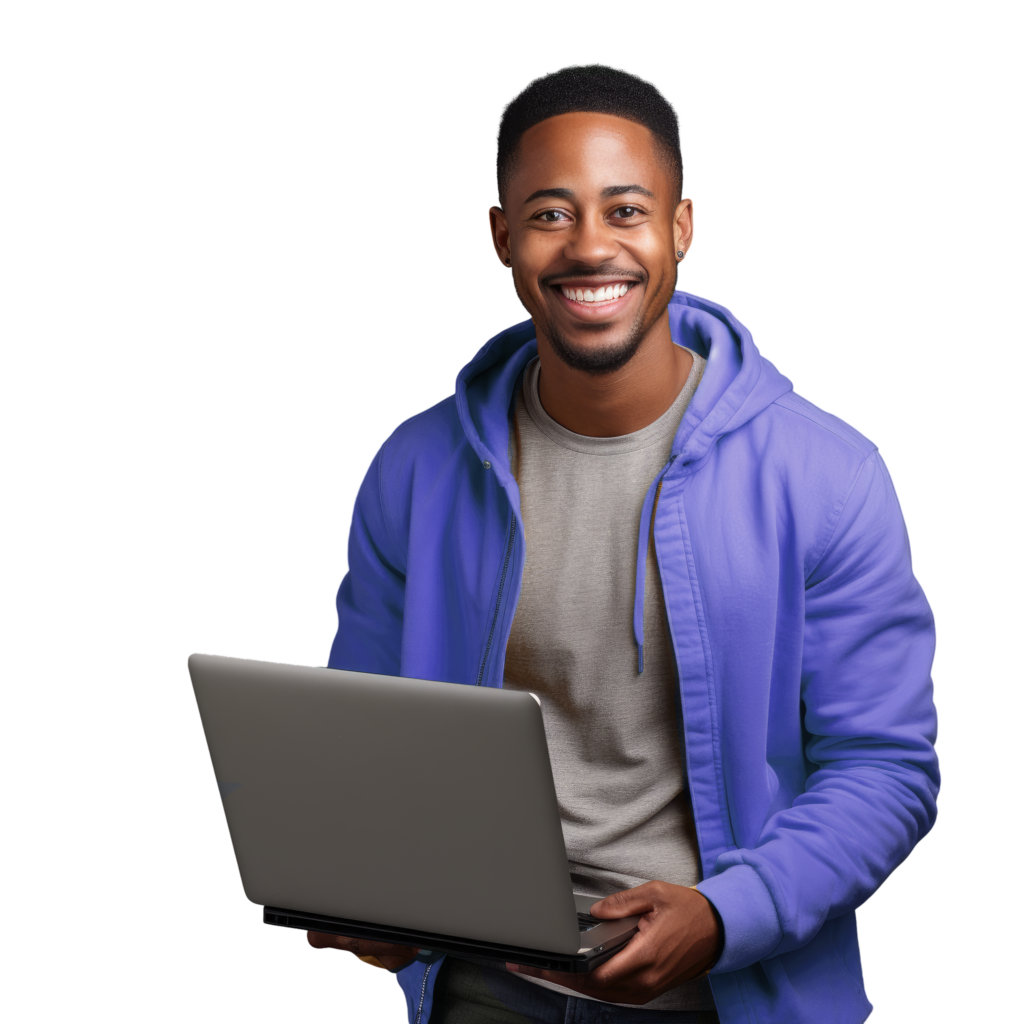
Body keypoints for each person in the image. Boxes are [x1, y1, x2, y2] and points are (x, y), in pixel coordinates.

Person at [306, 63, 939, 1024]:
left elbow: (887, 768)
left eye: (625, 209)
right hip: (485, 985)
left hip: (727, 991)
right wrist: (375, 904)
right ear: (501, 237)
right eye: (551, 214)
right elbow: (359, 749)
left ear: (681, 229)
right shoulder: (414, 466)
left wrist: (728, 916)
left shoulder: (829, 471)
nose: (589, 246)